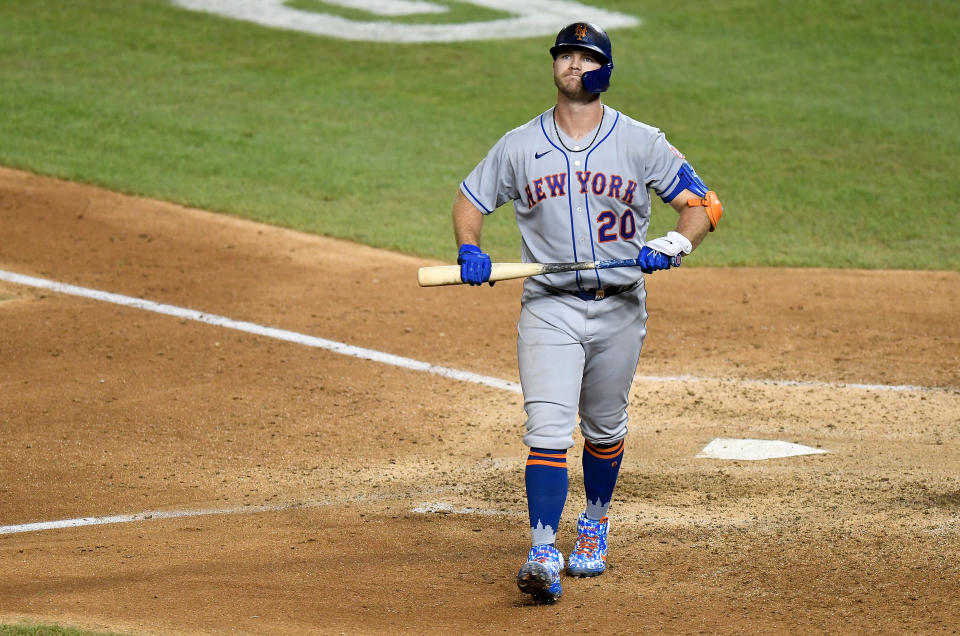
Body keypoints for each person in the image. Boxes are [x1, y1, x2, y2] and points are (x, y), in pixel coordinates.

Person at [451, 22, 723, 604]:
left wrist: (676, 244)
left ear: (605, 70)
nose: (573, 65)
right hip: (549, 309)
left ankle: (595, 525)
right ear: (554, 67)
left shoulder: (642, 141)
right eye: (565, 57)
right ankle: (543, 550)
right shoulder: (520, 145)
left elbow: (703, 206)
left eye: (586, 57)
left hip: (620, 307)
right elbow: (471, 199)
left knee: (604, 430)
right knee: (547, 432)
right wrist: (470, 247)